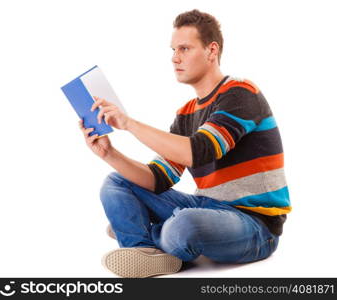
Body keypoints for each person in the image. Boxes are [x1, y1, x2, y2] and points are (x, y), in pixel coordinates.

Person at [78, 9, 291, 278]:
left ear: (211, 51)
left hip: (255, 226)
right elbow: (157, 178)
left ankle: (140, 227)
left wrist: (129, 123)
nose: (175, 58)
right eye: (173, 50)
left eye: (185, 48)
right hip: (208, 208)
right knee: (116, 182)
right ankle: (145, 249)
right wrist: (109, 153)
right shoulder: (186, 113)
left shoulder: (240, 92)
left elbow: (200, 151)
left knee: (184, 226)